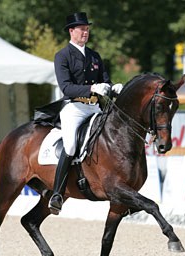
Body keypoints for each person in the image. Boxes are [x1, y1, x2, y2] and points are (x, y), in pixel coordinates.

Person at [49, 12, 123, 212]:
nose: (85, 32)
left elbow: (105, 80)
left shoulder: (94, 56)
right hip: (74, 107)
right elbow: (66, 88)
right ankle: (57, 193)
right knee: (71, 145)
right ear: (72, 31)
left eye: (87, 29)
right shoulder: (62, 56)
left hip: (95, 107)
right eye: (82, 29)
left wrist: (113, 87)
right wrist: (91, 89)